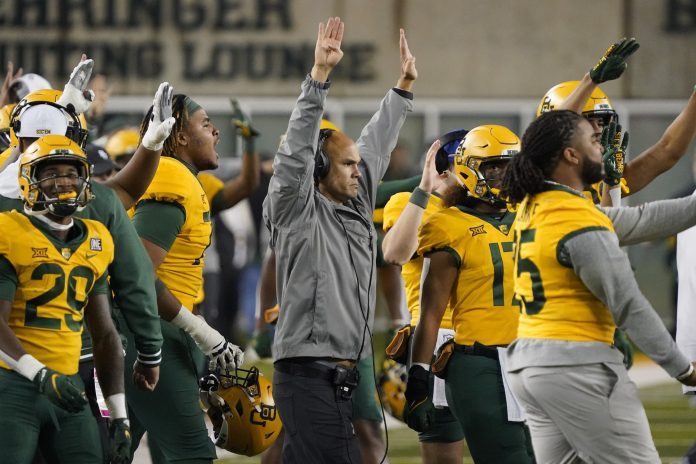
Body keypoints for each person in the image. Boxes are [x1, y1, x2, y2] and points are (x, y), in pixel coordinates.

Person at [500, 109, 696, 463]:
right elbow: (629, 305)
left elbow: (643, 219)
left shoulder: (537, 206)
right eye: (592, 140)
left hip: (530, 367)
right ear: (570, 155)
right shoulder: (576, 219)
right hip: (576, 368)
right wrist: (684, 368)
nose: (601, 147)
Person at [263, 17, 416, 463]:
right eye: (346, 165)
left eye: (355, 164)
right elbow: (295, 153)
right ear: (319, 171)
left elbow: (376, 145)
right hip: (308, 372)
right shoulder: (295, 209)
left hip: (342, 371)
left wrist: (403, 87)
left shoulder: (352, 206)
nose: (357, 170)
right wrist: (319, 78)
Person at [128, 91, 245, 463]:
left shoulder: (182, 177)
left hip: (153, 329)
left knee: (108, 449)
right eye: (205, 124)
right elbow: (138, 273)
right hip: (151, 334)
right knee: (194, 454)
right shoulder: (172, 176)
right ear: (179, 136)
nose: (216, 133)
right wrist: (201, 331)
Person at [406, 125, 535, 463]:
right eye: (494, 167)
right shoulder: (448, 225)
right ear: (468, 167)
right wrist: (418, 377)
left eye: (510, 166)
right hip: (481, 365)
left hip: (536, 361)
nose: (503, 176)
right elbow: (431, 311)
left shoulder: (531, 214)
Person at [0, 135, 129, 463]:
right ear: (29, 180)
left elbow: (105, 334)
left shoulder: (97, 239)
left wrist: (118, 415)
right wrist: (39, 374)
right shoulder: (10, 232)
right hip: (11, 385)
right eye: (51, 173)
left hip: (67, 387)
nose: (64, 182)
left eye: (72, 173)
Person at [381, 130, 468, 464]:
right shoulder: (409, 202)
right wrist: (425, 188)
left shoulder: (495, 209)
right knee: (444, 455)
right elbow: (395, 253)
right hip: (437, 341)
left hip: (496, 339)